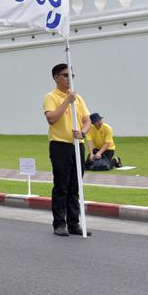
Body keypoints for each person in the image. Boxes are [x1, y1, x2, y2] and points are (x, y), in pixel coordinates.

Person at [44, 64, 92, 237]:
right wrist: (67, 101)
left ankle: (74, 222)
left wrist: (83, 132)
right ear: (56, 77)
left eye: (71, 75)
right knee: (61, 185)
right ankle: (59, 223)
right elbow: (51, 118)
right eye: (65, 75)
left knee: (75, 185)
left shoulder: (78, 98)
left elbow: (87, 121)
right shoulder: (51, 97)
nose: (69, 78)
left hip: (76, 144)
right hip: (60, 145)